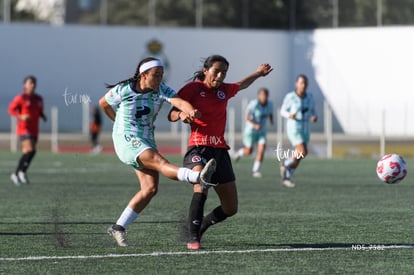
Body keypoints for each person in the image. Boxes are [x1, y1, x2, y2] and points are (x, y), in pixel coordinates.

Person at [99, 57, 216, 247]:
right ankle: (197, 177)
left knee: (150, 189)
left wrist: (191, 111)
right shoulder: (125, 89)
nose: (160, 79)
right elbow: (103, 103)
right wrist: (117, 124)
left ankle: (118, 227)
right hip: (127, 138)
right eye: (156, 75)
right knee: (160, 162)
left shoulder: (161, 89)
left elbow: (180, 102)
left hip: (146, 139)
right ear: (144, 75)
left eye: (162, 75)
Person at [168, 55, 272, 250]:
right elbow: (172, 113)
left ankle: (202, 226)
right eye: (217, 71)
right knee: (201, 184)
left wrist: (258, 73)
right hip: (198, 148)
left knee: (231, 208)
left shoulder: (224, 90)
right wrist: (183, 114)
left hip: (220, 151)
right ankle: (192, 238)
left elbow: (241, 85)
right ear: (206, 70)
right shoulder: (192, 89)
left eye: (224, 72)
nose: (221, 75)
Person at [279, 74, 317, 188]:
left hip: (305, 128)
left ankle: (287, 177)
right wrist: (289, 115)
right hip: (294, 127)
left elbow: (313, 110)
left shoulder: (309, 97)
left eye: (305, 83)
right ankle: (285, 164)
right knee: (302, 151)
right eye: (301, 83)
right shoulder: (290, 97)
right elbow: (282, 111)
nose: (303, 85)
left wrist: (314, 116)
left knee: (301, 155)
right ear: (296, 84)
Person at [8, 76, 47, 186]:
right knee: (31, 150)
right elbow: (10, 109)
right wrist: (20, 116)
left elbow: (39, 111)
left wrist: (43, 116)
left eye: (34, 83)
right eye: (30, 83)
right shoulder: (21, 98)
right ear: (24, 85)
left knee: (27, 152)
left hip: (34, 129)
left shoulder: (39, 99)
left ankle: (16, 174)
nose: (32, 85)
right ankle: (22, 172)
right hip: (23, 129)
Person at [234, 88, 273, 178]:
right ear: (259, 95)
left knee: (262, 149)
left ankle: (256, 170)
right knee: (249, 151)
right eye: (262, 95)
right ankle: (239, 153)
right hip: (251, 131)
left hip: (261, 131)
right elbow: (247, 116)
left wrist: (271, 120)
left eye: (265, 95)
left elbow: (270, 113)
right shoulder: (254, 104)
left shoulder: (270, 104)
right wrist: (255, 125)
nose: (264, 97)